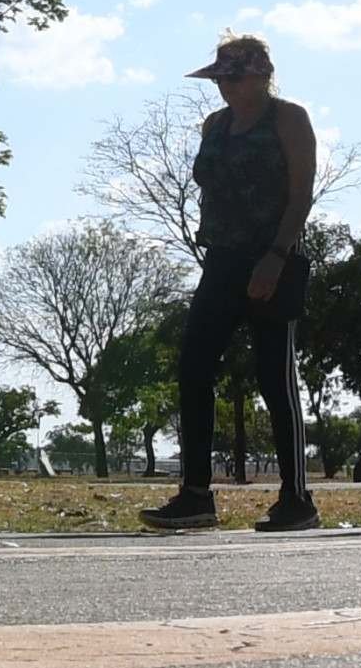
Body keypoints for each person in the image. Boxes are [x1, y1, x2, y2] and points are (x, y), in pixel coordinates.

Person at [139, 33, 321, 533]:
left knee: (274, 377)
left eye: (234, 77)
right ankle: (196, 494)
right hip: (221, 260)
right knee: (194, 367)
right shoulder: (214, 125)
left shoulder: (289, 118)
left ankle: (297, 498)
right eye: (220, 78)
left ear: (261, 76)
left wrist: (277, 256)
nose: (225, 87)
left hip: (272, 259)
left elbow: (300, 194)